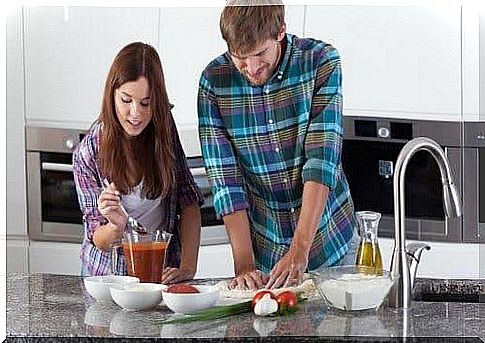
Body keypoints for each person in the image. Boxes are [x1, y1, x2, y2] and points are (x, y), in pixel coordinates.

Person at [198, 1, 356, 290]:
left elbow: (321, 161)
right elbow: (225, 181)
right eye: (240, 58)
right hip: (265, 252)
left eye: (260, 53)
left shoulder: (321, 61)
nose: (252, 68)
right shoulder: (214, 83)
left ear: (281, 30)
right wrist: (245, 266)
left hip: (329, 242)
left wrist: (299, 250)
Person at [73, 42, 203, 284]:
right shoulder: (89, 151)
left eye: (146, 103)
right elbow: (97, 238)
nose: (136, 114)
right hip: (108, 277)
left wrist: (188, 267)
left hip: (160, 272)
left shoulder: (163, 128)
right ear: (111, 95)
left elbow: (189, 202)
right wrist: (115, 226)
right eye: (126, 100)